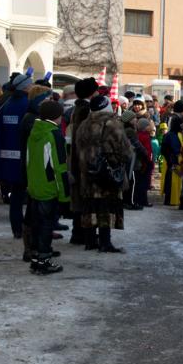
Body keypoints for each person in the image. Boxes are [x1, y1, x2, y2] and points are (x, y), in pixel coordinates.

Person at [75, 95, 133, 252]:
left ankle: (90, 241)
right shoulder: (111, 123)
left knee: (90, 206)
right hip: (107, 173)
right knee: (106, 206)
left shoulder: (84, 124)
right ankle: (105, 242)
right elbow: (125, 151)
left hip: (87, 173)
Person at [25, 100, 68, 275]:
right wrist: (65, 195)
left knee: (36, 224)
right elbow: (59, 166)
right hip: (49, 187)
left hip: (35, 184)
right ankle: (43, 260)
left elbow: (28, 160)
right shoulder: (54, 134)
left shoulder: (35, 131)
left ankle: (36, 258)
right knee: (46, 226)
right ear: (57, 116)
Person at [0, 72, 34, 238]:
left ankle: (17, 228)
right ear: (26, 87)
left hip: (8, 156)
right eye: (31, 84)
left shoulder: (7, 104)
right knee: (31, 194)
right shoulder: (27, 104)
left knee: (16, 194)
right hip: (25, 156)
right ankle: (29, 227)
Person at [67, 77, 99, 245]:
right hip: (83, 159)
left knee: (79, 197)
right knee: (85, 197)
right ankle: (82, 233)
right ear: (91, 93)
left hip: (76, 158)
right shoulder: (86, 110)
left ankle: (78, 232)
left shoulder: (78, 108)